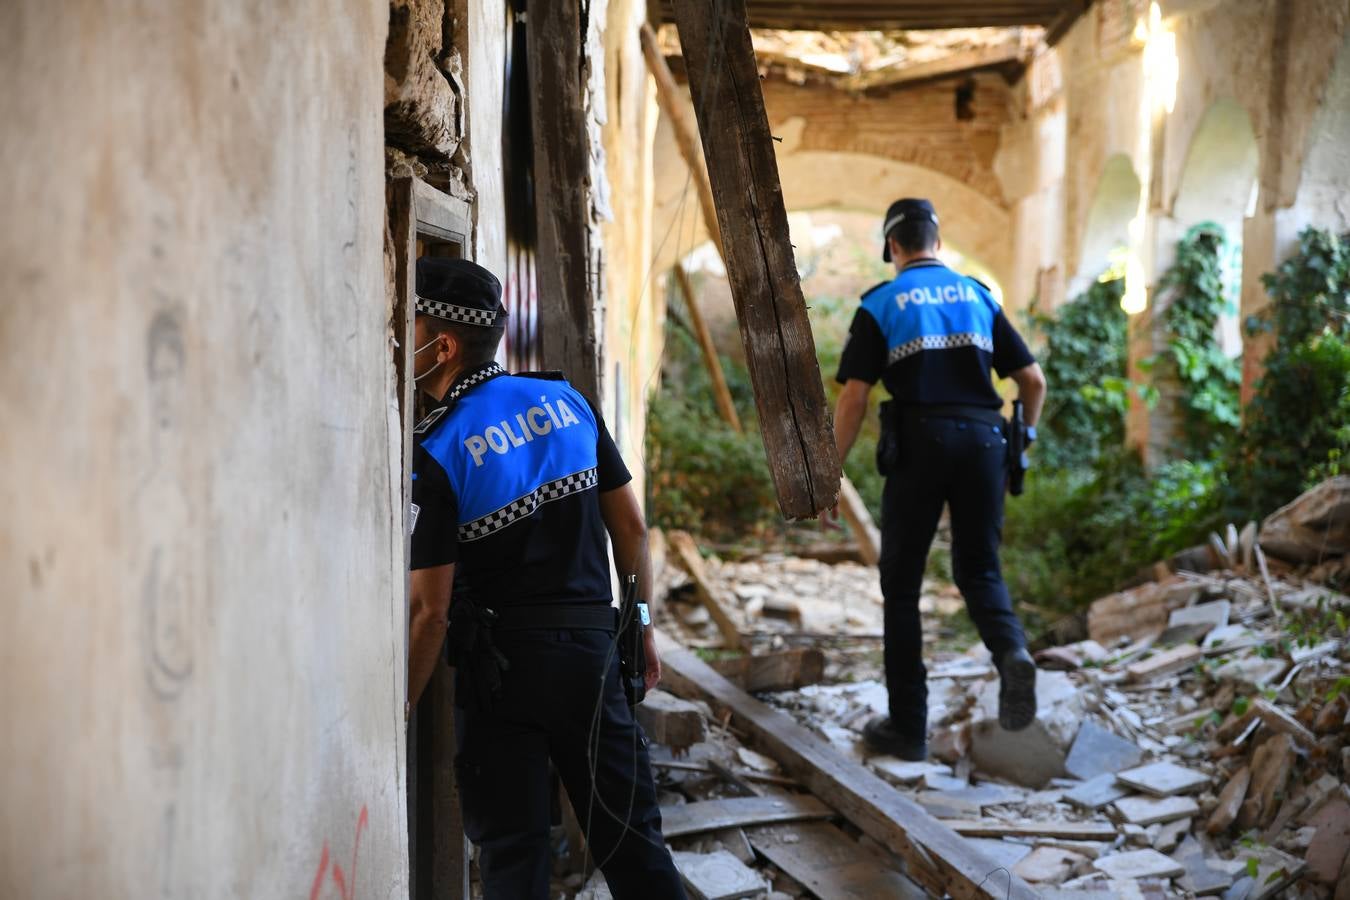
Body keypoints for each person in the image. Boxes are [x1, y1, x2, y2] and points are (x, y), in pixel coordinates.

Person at [404, 257, 687, 900]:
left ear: (442, 346)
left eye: (407, 326)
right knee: (633, 842)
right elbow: (633, 531)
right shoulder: (567, 401)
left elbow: (432, 613)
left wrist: (399, 706)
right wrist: (638, 628)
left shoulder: (436, 447)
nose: (398, 342)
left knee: (514, 856)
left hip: (502, 676)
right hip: (591, 661)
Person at [832, 198, 1047, 762]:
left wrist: (829, 470)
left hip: (920, 443)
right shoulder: (978, 296)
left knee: (902, 586)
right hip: (984, 443)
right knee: (979, 567)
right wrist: (1020, 445)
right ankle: (1012, 654)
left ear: (893, 249)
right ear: (938, 242)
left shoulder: (883, 303)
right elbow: (1032, 380)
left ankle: (909, 727)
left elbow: (855, 396)